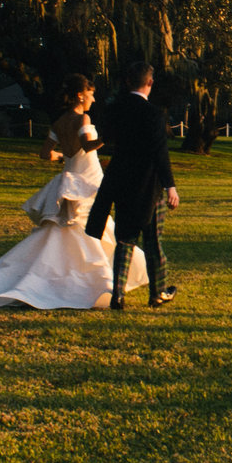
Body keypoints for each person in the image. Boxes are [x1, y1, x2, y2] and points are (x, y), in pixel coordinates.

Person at [0, 73, 148, 310]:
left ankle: (76, 278)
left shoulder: (59, 122)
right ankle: (90, 282)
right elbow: (87, 145)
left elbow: (45, 153)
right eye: (91, 94)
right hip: (86, 179)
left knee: (73, 229)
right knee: (89, 228)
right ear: (81, 95)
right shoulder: (83, 118)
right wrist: (109, 138)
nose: (93, 99)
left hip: (72, 176)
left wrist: (63, 156)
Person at [84, 59, 180, 310]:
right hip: (149, 184)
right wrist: (170, 186)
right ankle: (158, 291)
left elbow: (108, 138)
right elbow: (160, 153)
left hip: (121, 180)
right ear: (150, 83)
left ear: (128, 82)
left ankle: (118, 294)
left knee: (125, 238)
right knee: (153, 240)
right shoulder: (153, 114)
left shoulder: (115, 109)